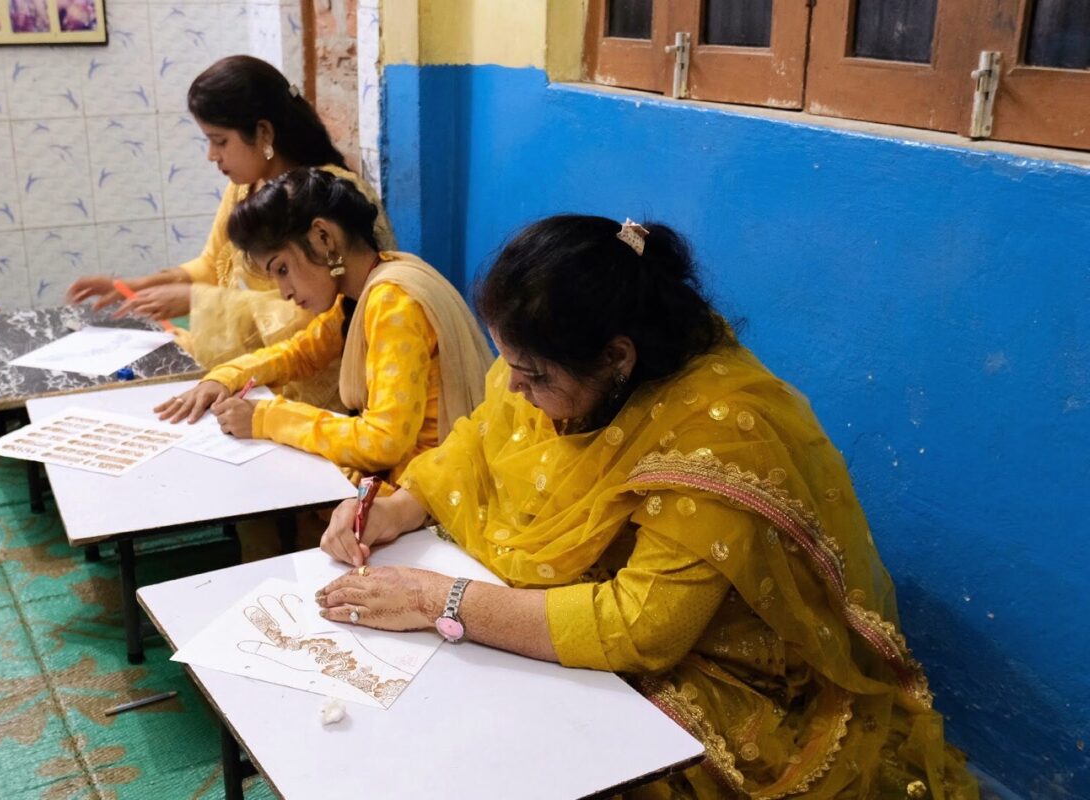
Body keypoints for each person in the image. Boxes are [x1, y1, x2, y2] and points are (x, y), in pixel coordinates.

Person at [313, 215, 979, 799]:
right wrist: (401, 505)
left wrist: (442, 603)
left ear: (618, 359)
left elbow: (644, 628)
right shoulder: (545, 361)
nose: (514, 385)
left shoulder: (718, 435)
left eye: (533, 375)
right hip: (573, 609)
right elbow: (483, 440)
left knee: (545, 755)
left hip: (712, 666)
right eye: (508, 362)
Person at [66, 55, 394, 409]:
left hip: (326, 386)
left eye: (220, 141)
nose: (211, 155)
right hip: (265, 371)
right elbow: (213, 263)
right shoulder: (247, 189)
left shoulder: (328, 196)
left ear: (264, 133)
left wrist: (196, 299)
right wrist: (134, 286)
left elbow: (325, 314)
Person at [155, 167, 493, 487]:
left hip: (425, 496)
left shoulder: (392, 302)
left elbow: (384, 442)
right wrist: (224, 377)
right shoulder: (372, 284)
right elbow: (301, 353)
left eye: (282, 269)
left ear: (322, 237)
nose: (284, 292)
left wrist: (265, 418)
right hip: (412, 483)